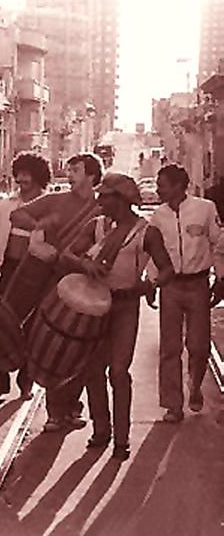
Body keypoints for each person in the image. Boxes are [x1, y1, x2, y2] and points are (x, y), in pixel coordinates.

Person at [62, 173, 174, 460]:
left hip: (125, 305)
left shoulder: (145, 232)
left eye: (106, 196)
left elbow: (166, 269)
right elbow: (67, 255)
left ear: (122, 200)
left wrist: (149, 285)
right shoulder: (96, 226)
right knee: (92, 369)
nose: (99, 200)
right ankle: (102, 430)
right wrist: (86, 266)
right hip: (94, 304)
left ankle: (121, 438)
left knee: (119, 371)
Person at [10, 152, 104, 433]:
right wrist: (40, 224)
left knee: (82, 346)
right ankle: (54, 411)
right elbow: (18, 214)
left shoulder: (103, 206)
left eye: (75, 169)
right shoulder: (57, 200)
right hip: (54, 283)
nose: (69, 174)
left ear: (91, 175)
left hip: (89, 285)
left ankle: (73, 407)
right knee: (55, 344)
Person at [148, 165, 224, 423]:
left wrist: (221, 277)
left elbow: (217, 243)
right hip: (170, 286)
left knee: (199, 345)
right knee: (170, 348)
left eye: (163, 184)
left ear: (179, 185)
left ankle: (195, 386)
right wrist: (151, 282)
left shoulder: (205, 209)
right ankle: (172, 405)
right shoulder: (158, 215)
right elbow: (152, 251)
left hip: (198, 284)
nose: (159, 189)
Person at [0, 152, 51, 400]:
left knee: (32, 329)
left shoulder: (48, 204)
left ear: (38, 177)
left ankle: (26, 383)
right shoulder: (7, 204)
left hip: (36, 275)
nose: (21, 179)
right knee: (0, 326)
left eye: (27, 175)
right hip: (10, 270)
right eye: (19, 174)